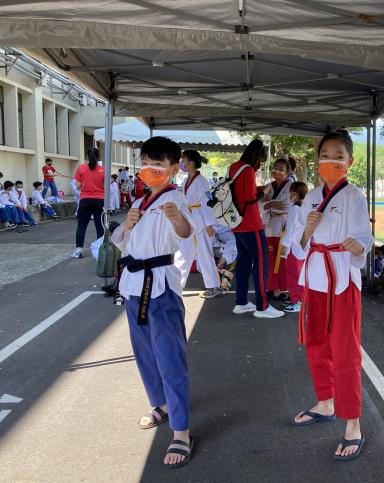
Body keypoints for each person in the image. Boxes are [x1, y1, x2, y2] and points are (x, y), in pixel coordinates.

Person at [111, 136, 196, 468]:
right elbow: (123, 243)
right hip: (134, 285)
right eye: (146, 162)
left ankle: (182, 431)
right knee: (145, 352)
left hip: (160, 286)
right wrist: (127, 224)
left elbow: (185, 231)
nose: (150, 168)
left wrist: (176, 218)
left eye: (157, 164)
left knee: (170, 357)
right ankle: (161, 403)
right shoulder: (141, 200)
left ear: (173, 169)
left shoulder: (175, 198)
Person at [290, 129, 374, 461]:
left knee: (345, 352)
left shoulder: (354, 196)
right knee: (315, 343)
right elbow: (297, 243)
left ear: (350, 161)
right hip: (315, 279)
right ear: (317, 160)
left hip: (341, 279)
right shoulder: (311, 196)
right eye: (325, 155)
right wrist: (309, 229)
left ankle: (353, 424)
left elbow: (365, 237)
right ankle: (325, 402)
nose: (331, 161)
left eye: (339, 156)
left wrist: (358, 246)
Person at [229, 139, 284, 318]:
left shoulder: (234, 167)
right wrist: (265, 192)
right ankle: (263, 306)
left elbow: (239, 192)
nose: (261, 163)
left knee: (243, 263)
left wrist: (260, 188)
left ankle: (241, 302)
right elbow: (250, 199)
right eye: (262, 159)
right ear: (258, 156)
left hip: (236, 224)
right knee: (261, 264)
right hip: (251, 224)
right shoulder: (249, 170)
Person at [176, 150, 225, 299]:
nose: (182, 163)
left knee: (205, 254)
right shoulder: (186, 180)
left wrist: (209, 224)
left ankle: (214, 286)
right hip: (190, 219)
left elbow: (207, 203)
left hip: (202, 222)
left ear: (191, 161)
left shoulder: (201, 181)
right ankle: (176, 286)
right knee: (183, 253)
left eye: (183, 160)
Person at [261, 158, 293, 299]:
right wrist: (272, 205)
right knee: (271, 258)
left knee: (282, 259)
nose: (277, 171)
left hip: (283, 227)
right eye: (275, 167)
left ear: (287, 171)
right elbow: (261, 205)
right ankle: (271, 287)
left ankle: (282, 289)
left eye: (281, 169)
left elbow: (287, 206)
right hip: (269, 227)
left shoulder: (291, 186)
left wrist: (270, 203)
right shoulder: (269, 186)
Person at [279, 181, 308, 313]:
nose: (288, 195)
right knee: (299, 275)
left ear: (294, 194)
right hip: (302, 248)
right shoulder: (304, 207)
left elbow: (290, 229)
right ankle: (297, 298)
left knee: (294, 276)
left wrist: (284, 245)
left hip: (294, 248)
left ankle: (297, 301)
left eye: (289, 192)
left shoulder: (295, 209)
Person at [72, 147, 105, 258]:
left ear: (87, 156)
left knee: (81, 226)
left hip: (85, 200)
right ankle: (100, 250)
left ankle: (78, 251)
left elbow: (78, 185)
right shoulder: (103, 169)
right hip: (99, 200)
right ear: (98, 157)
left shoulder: (81, 168)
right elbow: (106, 186)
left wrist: (84, 184)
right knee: (100, 225)